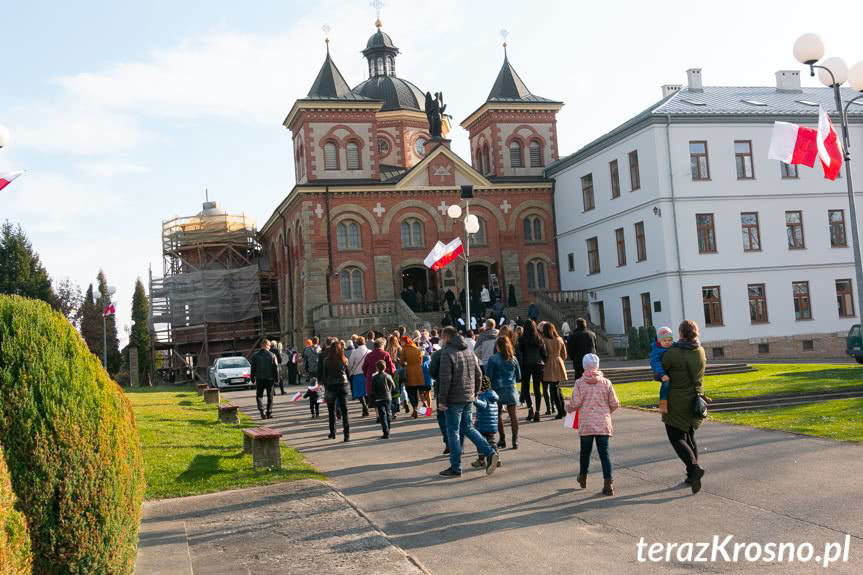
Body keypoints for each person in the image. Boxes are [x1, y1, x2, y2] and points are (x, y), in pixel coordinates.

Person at [437, 326, 500, 477]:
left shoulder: (447, 353)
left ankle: (455, 467)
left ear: (446, 338)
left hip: (453, 398)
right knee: (468, 428)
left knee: (453, 432)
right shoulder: (468, 351)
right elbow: (479, 374)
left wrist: (441, 400)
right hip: (467, 397)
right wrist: (475, 393)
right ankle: (490, 452)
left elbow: (445, 379)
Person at [661, 320, 707, 494]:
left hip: (677, 401)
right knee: (689, 435)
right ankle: (691, 474)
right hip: (695, 400)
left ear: (680, 333)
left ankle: (694, 469)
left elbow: (660, 372)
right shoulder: (700, 351)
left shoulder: (673, 353)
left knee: (676, 437)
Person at [567, 353, 619, 496]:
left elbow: (576, 403)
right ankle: (608, 483)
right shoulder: (606, 382)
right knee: (604, 453)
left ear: (584, 366)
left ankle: (583, 476)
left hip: (586, 423)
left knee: (585, 452)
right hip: (603, 422)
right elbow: (614, 403)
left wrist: (569, 408)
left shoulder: (579, 383)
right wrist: (607, 413)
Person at [485, 336, 521, 449]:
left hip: (497, 389)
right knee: (513, 415)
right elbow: (519, 376)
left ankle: (502, 438)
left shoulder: (493, 359)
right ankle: (515, 440)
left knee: (498, 414)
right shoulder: (513, 358)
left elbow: (488, 376)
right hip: (511, 388)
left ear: (497, 346)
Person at [320, 339, 350, 442]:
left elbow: (324, 376)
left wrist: (325, 386)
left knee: (331, 411)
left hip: (331, 385)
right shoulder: (344, 359)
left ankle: (332, 432)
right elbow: (348, 374)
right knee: (344, 410)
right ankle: (346, 434)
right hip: (343, 385)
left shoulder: (326, 361)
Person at [517, 320, 546, 422]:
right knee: (537, 389)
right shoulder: (539, 338)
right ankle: (537, 411)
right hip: (538, 364)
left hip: (526, 365)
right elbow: (544, 353)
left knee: (525, 388)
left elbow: (519, 354)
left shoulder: (521, 339)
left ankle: (530, 408)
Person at [362, 338, 397, 420]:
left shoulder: (369, 355)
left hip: (371, 380)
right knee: (385, 396)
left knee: (375, 397)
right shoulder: (385, 354)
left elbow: (364, 368)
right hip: (384, 379)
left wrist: (367, 375)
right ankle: (387, 413)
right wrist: (391, 376)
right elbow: (391, 368)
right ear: (382, 345)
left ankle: (378, 415)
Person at [471, 378, 500, 469]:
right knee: (492, 442)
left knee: (480, 442)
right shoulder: (493, 395)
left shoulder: (483, 395)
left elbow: (483, 405)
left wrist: (474, 400)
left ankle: (481, 460)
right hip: (492, 424)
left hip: (483, 424)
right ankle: (497, 459)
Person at [541, 322, 568, 419]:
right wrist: (560, 359)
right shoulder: (559, 339)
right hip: (558, 362)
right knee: (557, 387)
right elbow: (564, 354)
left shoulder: (544, 340)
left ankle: (560, 411)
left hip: (549, 363)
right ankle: (563, 410)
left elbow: (543, 354)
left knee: (553, 389)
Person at [250, 339, 279, 419]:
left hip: (259, 378)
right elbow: (276, 368)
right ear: (266, 345)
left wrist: (252, 378)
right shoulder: (272, 355)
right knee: (270, 396)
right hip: (270, 379)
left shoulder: (255, 355)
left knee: (259, 395)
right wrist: (277, 379)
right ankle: (269, 412)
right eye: (269, 345)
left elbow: (253, 368)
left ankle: (262, 411)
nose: (270, 347)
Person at [650, 327, 674, 413]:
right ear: (659, 341)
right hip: (661, 373)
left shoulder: (673, 346)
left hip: (670, 371)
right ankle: (663, 404)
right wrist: (662, 374)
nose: (667, 342)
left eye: (669, 340)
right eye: (664, 340)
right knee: (666, 383)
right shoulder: (657, 350)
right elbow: (655, 363)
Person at [400, 336, 425, 418]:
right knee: (419, 393)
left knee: (411, 393)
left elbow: (402, 362)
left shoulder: (404, 349)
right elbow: (421, 361)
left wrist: (404, 364)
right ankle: (424, 409)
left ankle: (415, 410)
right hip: (419, 373)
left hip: (410, 373)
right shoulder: (417, 348)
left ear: (404, 342)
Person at [347, 335, 371, 417]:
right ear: (365, 342)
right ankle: (366, 407)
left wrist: (350, 372)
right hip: (367, 374)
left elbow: (350, 364)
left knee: (360, 393)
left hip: (357, 374)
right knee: (367, 392)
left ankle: (364, 407)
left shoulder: (355, 352)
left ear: (357, 343)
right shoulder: (369, 351)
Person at [371, 360, 396, 439]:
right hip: (388, 397)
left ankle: (385, 432)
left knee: (382, 415)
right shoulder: (388, 376)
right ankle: (388, 429)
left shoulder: (375, 377)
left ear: (377, 368)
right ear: (385, 367)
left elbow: (373, 389)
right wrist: (390, 392)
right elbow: (394, 386)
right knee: (388, 413)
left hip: (379, 398)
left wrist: (374, 397)